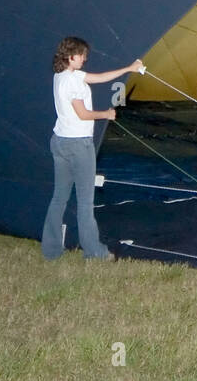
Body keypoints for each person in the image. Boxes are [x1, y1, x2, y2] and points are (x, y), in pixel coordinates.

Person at [40, 37, 143, 261]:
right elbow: (83, 114)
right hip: (78, 145)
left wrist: (129, 68)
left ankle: (51, 250)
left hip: (60, 142)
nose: (85, 58)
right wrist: (106, 114)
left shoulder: (62, 76)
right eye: (82, 54)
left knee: (59, 198)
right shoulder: (73, 81)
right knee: (85, 202)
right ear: (71, 56)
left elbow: (99, 78)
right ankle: (95, 252)